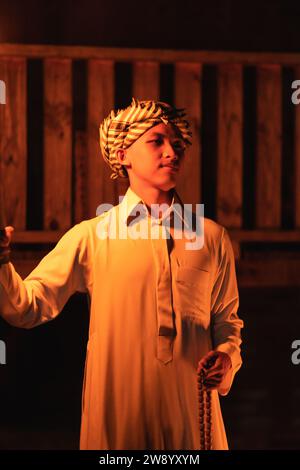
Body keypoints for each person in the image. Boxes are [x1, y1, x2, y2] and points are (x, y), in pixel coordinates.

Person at [0, 97, 243, 450]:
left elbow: (227, 322)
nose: (172, 153)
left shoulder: (212, 238)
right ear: (123, 154)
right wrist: (2, 261)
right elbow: (27, 307)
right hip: (116, 426)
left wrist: (225, 358)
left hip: (193, 422)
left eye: (177, 145)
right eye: (156, 141)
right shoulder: (92, 236)